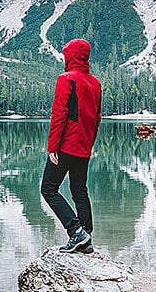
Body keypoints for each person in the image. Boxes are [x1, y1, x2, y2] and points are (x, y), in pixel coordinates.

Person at [41, 38, 102, 253]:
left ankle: (76, 232)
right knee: (79, 191)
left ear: (71, 56)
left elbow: (59, 114)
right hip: (84, 146)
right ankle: (86, 237)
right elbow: (96, 118)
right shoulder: (95, 83)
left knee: (48, 189)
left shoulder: (66, 79)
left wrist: (52, 146)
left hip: (66, 145)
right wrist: (89, 144)